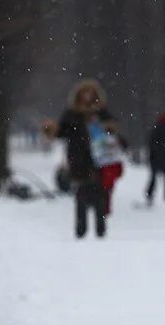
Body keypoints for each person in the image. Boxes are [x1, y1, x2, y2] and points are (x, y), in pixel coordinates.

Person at [42, 79, 118, 238]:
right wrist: (52, 130)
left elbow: (113, 130)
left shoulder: (101, 113)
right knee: (81, 196)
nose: (87, 96)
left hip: (100, 160)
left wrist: (109, 129)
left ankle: (101, 230)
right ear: (79, 95)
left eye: (90, 92)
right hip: (78, 159)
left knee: (100, 196)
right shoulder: (71, 114)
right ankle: (81, 230)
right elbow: (62, 132)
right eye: (85, 92)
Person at [146, 113, 165, 206]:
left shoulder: (155, 130)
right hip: (164, 159)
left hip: (155, 159)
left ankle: (149, 195)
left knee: (153, 178)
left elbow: (152, 144)